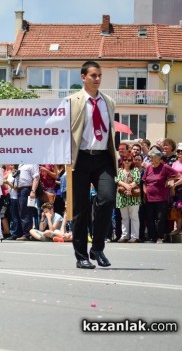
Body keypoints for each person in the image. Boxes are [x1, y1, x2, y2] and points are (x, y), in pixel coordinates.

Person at [68, 61, 117, 269]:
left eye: (99, 76)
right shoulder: (72, 101)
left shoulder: (109, 102)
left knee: (107, 199)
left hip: (103, 157)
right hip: (80, 158)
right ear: (83, 77)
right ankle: (81, 256)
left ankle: (97, 248)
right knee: (81, 209)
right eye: (93, 75)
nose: (97, 79)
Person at [142, 147, 178, 243]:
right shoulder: (149, 167)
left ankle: (160, 237)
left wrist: (169, 180)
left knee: (160, 218)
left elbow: (177, 175)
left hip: (161, 198)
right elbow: (144, 181)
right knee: (149, 218)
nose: (151, 159)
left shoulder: (164, 167)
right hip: (149, 198)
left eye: (152, 158)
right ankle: (152, 237)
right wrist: (145, 193)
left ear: (158, 158)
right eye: (150, 158)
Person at [115, 152, 142, 242]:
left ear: (132, 161)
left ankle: (135, 236)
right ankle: (125, 236)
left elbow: (137, 180)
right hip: (122, 197)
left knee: (134, 216)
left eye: (129, 160)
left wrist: (129, 187)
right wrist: (126, 186)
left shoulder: (136, 170)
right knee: (124, 217)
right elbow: (117, 180)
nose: (127, 162)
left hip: (133, 197)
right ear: (122, 161)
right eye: (125, 160)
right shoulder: (119, 170)